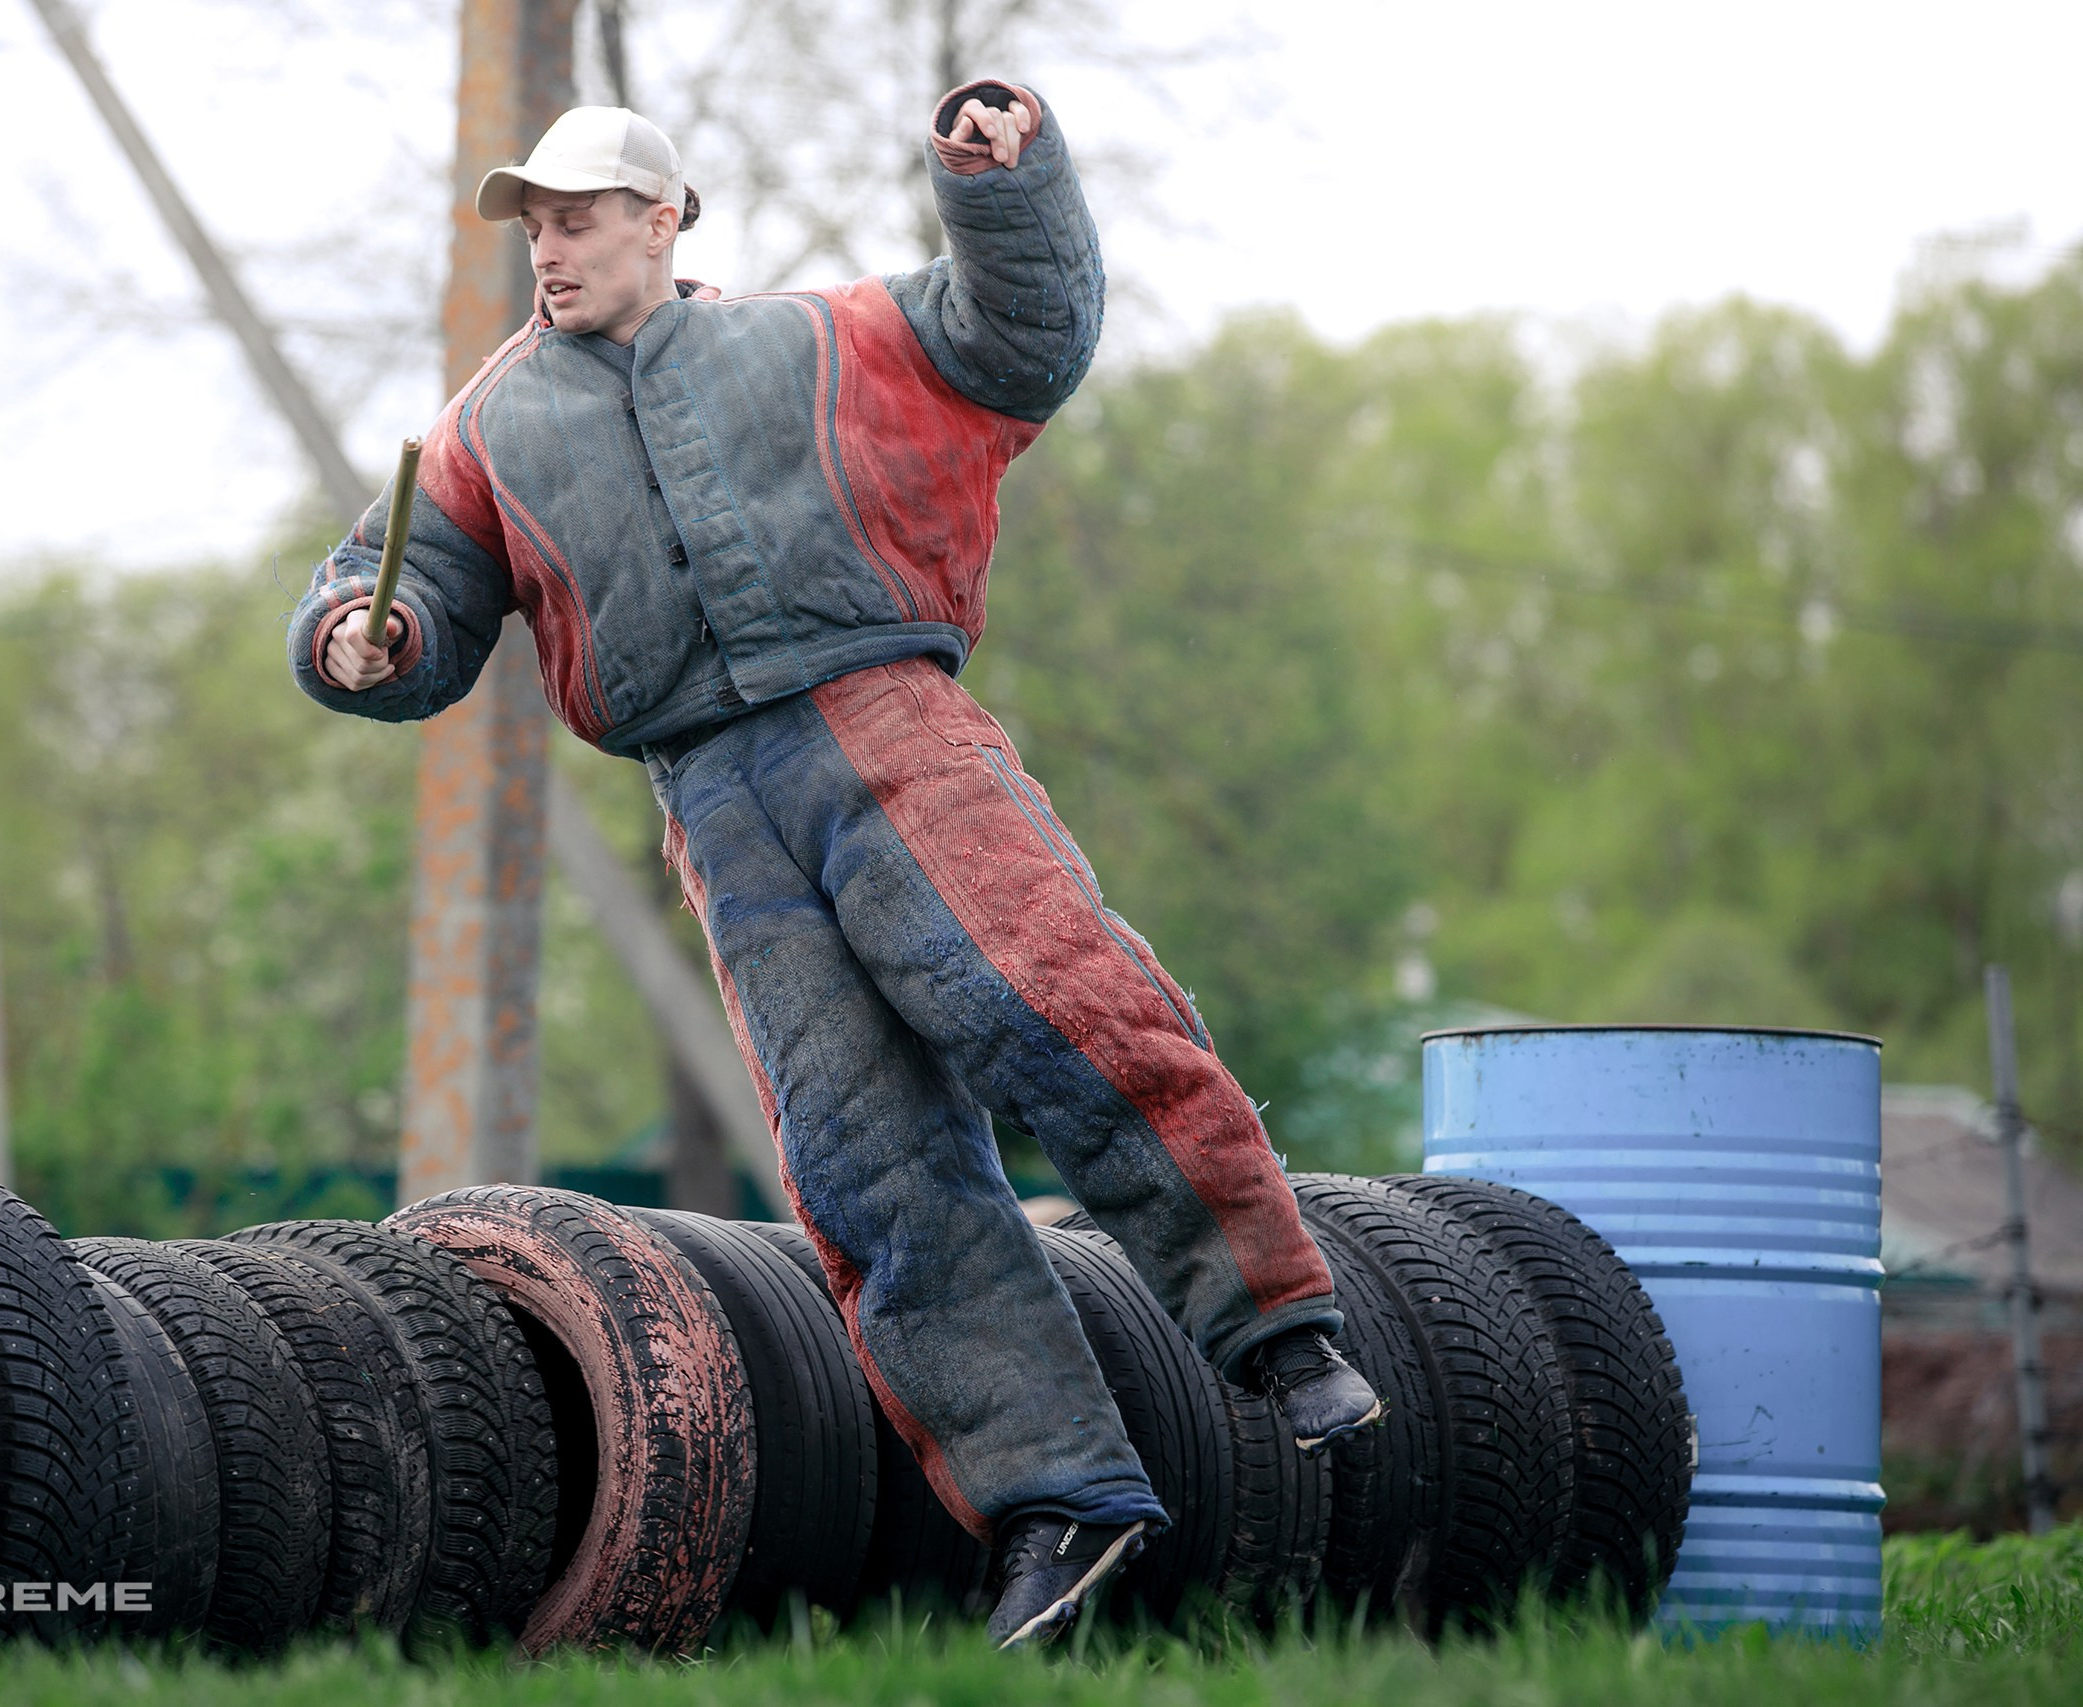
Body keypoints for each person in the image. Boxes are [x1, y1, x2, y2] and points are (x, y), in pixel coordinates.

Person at [289, 84, 1382, 1650]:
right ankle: (1058, 1503)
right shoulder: (485, 432)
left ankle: (1277, 1325)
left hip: (889, 726)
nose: (552, 248)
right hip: (715, 803)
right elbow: (399, 604)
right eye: (534, 224)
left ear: (668, 220)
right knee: (862, 1163)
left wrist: (999, 185)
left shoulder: (826, 339)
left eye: (582, 216)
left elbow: (1024, 339)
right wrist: (356, 639)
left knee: (1051, 1005)